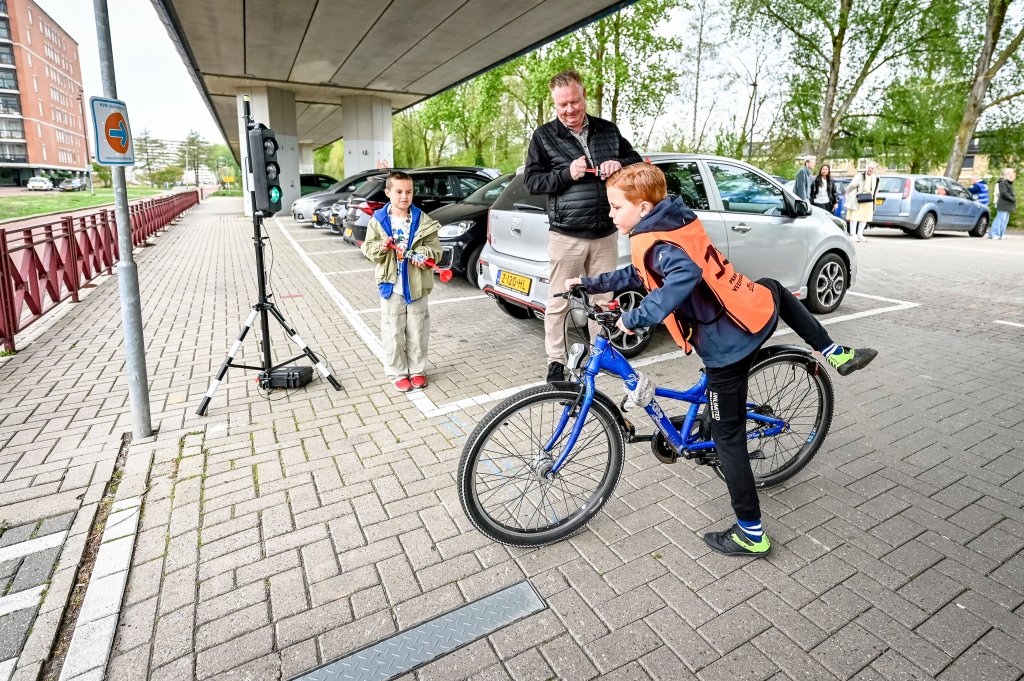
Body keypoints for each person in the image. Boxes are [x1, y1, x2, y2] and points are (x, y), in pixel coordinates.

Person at [566, 163, 877, 557]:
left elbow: (681, 278)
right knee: (776, 288)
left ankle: (751, 532)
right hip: (749, 311)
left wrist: (635, 318)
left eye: (615, 207)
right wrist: (589, 284)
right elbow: (639, 275)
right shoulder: (667, 225)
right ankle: (834, 351)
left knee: (727, 436)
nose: (610, 214)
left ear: (642, 208)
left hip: (729, 342)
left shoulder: (662, 244)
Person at [524, 68, 643, 383]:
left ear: (583, 96)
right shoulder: (544, 136)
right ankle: (556, 363)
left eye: (574, 102)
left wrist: (620, 164)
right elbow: (532, 181)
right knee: (558, 301)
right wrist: (566, 174)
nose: (569, 110)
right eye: (562, 105)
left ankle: (600, 358)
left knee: (603, 302)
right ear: (555, 104)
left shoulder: (607, 130)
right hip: (566, 235)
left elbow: (637, 161)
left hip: (605, 234)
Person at [361, 172, 442, 392]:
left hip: (417, 287)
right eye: (399, 191)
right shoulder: (378, 221)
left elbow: (436, 250)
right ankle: (397, 372)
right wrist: (381, 247)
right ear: (388, 193)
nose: (404, 196)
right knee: (393, 332)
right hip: (391, 287)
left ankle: (416, 370)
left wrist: (423, 253)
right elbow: (368, 249)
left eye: (409, 191)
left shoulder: (422, 220)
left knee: (418, 331)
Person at [845, 162, 878, 242]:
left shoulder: (875, 177)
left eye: (872, 168)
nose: (870, 169)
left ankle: (860, 234)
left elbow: (875, 189)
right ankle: (853, 235)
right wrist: (849, 193)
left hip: (868, 199)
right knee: (854, 217)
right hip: (858, 199)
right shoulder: (860, 176)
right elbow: (852, 185)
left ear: (874, 170)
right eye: (869, 167)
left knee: (864, 218)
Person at [991, 168, 1016, 240]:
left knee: (1005, 220)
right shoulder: (1002, 182)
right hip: (1003, 204)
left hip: (1008, 204)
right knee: (1000, 219)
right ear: (1007, 174)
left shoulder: (1009, 183)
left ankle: (1001, 234)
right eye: (1012, 173)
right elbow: (1004, 193)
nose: (1013, 174)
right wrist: (1012, 199)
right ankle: (994, 234)